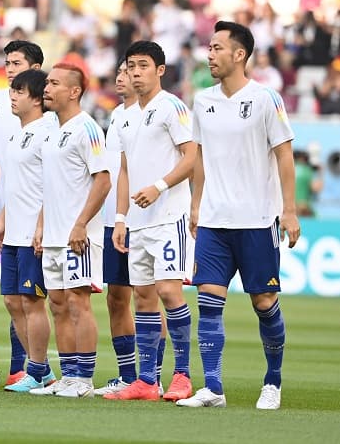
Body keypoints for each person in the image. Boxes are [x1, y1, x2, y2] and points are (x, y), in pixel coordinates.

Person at [177, 21, 299, 410]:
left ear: (239, 54)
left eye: (216, 48)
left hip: (257, 220)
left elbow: (284, 153)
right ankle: (212, 387)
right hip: (214, 220)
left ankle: (273, 381)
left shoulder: (266, 98)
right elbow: (196, 157)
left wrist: (289, 211)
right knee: (208, 302)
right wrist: (196, 205)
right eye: (208, 48)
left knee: (263, 301)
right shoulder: (202, 100)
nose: (209, 55)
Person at [104, 41, 195, 402]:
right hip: (137, 221)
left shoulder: (172, 107)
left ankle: (183, 375)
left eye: (143, 65)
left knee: (169, 291)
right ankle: (146, 380)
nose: (136, 72)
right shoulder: (124, 115)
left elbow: (191, 157)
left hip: (169, 215)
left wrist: (159, 187)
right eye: (131, 66)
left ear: (159, 70)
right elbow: (124, 169)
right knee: (142, 297)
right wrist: (122, 216)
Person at [29, 63, 110, 399]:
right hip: (53, 235)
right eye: (47, 82)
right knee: (58, 304)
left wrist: (80, 224)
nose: (47, 88)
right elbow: (54, 186)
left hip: (79, 236)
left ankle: (85, 379)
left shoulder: (87, 129)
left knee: (78, 302)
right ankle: (68, 374)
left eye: (55, 83)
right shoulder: (51, 132)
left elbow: (102, 180)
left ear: (75, 91)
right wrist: (42, 225)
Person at [94, 61, 169, 397]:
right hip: (115, 219)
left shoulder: (158, 112)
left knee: (149, 296)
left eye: (131, 70)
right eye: (120, 72)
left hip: (149, 217)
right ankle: (127, 374)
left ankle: (153, 374)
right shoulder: (117, 116)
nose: (123, 77)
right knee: (116, 297)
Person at [0, 39, 44, 384]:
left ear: (35, 68)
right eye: (7, 62)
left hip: (28, 218)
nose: (9, 67)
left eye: (17, 62)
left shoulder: (42, 109)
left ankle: (25, 367)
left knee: (26, 298)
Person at [0, 69, 58, 392]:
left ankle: (37, 368)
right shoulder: (18, 134)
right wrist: (2, 219)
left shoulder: (48, 132)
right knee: (12, 301)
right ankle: (39, 369)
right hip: (14, 229)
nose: (12, 96)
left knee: (32, 301)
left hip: (34, 230)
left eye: (19, 91)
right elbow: (16, 184)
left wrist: (43, 224)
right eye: (12, 90)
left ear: (37, 98)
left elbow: (52, 184)